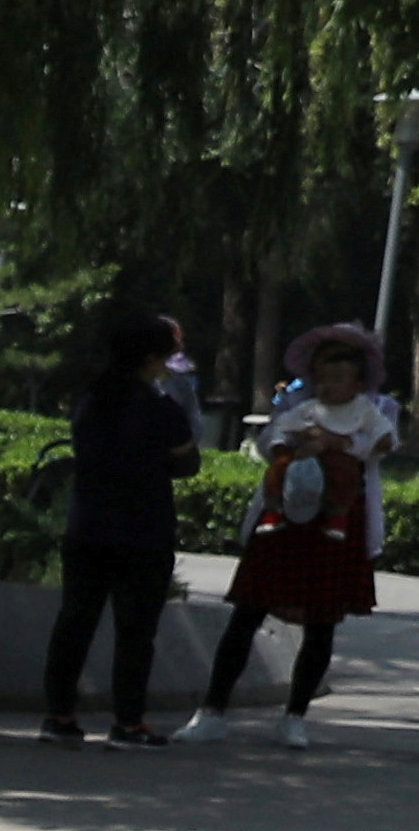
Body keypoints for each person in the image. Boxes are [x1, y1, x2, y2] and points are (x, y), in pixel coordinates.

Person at [199, 321, 395, 750]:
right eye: (322, 375)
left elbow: (383, 443)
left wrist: (341, 445)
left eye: (339, 376)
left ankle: (296, 714)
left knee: (321, 621)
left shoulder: (368, 410)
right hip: (285, 518)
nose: (328, 385)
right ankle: (212, 709)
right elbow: (270, 441)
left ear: (358, 380)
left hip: (337, 523)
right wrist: (298, 446)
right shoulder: (299, 408)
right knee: (248, 611)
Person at [40, 303, 202, 746]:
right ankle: (128, 722)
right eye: (165, 357)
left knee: (75, 621)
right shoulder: (160, 408)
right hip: (143, 530)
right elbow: (188, 463)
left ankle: (58, 716)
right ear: (150, 358)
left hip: (88, 524)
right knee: (135, 630)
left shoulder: (91, 398)